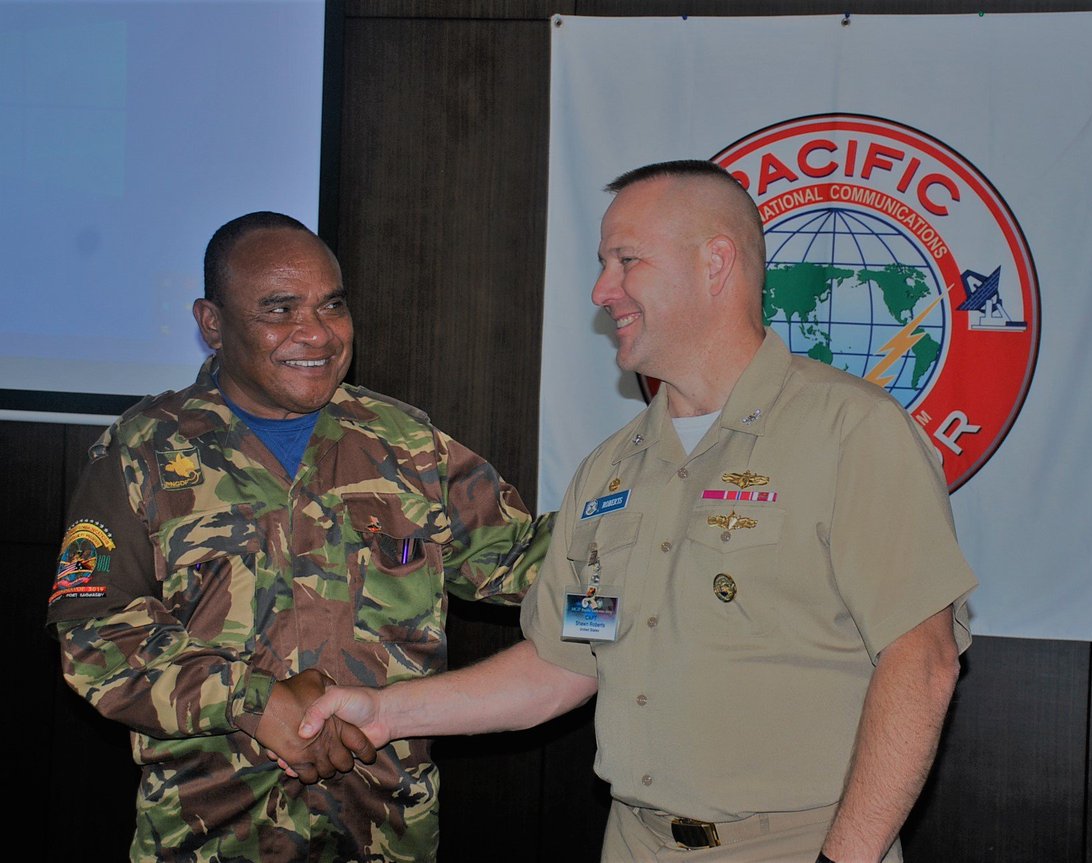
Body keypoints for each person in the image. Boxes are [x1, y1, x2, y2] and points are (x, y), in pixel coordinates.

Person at [296, 161, 978, 862]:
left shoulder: (849, 432)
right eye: (601, 264)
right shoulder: (611, 467)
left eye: (627, 261)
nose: (602, 290)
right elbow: (562, 664)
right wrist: (384, 710)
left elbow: (920, 662)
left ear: (716, 263)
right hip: (635, 843)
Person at [47, 211, 552, 863]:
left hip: (383, 836)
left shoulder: (406, 445)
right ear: (212, 323)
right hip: (209, 838)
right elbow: (92, 631)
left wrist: (660, 530)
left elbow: (531, 563)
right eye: (280, 309)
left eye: (332, 305)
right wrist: (251, 702)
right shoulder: (144, 451)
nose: (316, 333)